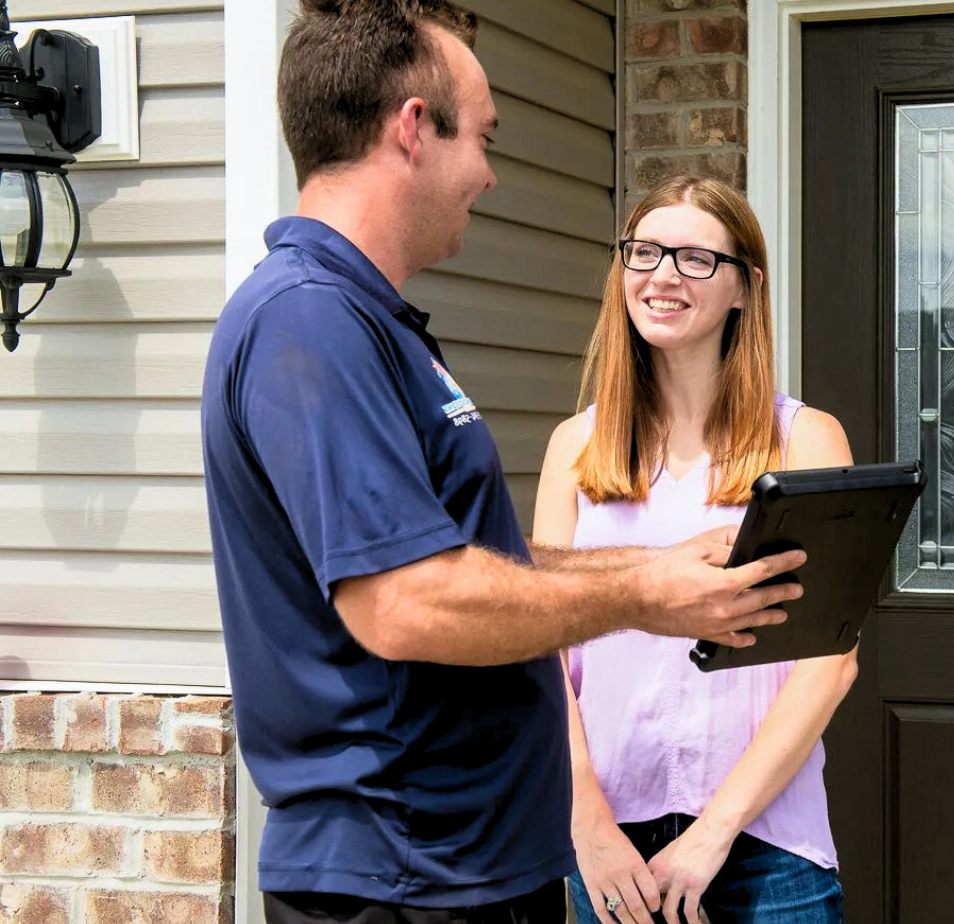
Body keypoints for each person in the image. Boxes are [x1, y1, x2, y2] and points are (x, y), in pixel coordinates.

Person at [199, 4, 804, 923]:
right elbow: (407, 600)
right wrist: (645, 597)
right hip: (405, 876)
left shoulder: (365, 324)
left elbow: (463, 557)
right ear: (412, 130)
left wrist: (653, 567)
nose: (486, 173)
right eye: (480, 138)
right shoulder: (310, 322)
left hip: (460, 869)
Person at [532, 177, 857, 924]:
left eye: (694, 258)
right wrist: (586, 824)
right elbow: (541, 654)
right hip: (612, 847)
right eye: (644, 252)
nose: (663, 275)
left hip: (766, 850)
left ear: (746, 286)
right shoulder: (574, 449)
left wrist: (713, 835)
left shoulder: (805, 441)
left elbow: (832, 659)